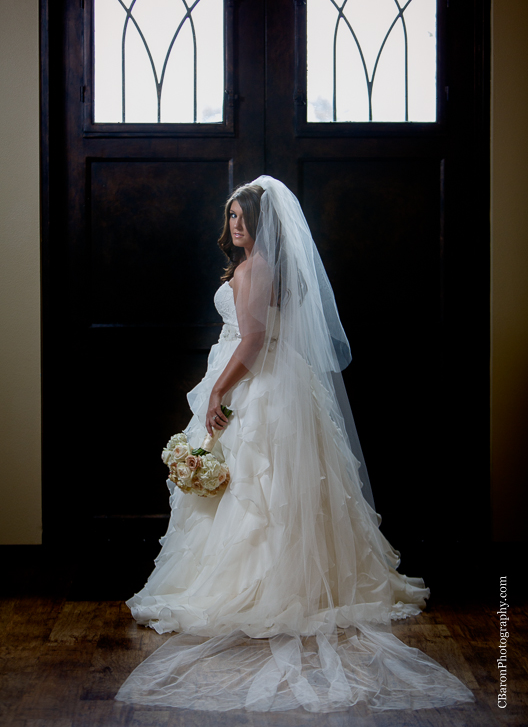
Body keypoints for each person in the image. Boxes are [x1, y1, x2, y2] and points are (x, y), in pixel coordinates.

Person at [116, 176, 474, 713]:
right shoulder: (270, 267)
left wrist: (217, 389)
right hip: (278, 379)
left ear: (263, 223)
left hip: (255, 381)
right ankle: (295, 577)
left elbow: (254, 339)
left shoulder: (254, 268)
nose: (235, 224)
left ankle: (267, 587)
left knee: (260, 485)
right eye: (231, 215)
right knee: (274, 483)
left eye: (243, 217)